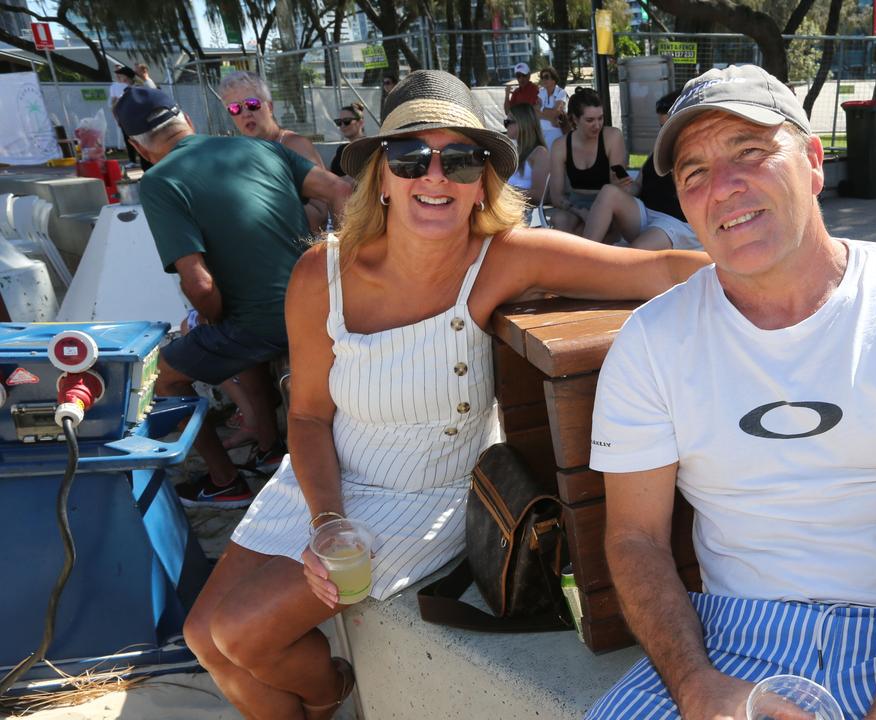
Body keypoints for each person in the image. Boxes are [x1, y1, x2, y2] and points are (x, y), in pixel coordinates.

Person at [179, 69, 708, 720]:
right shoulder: (322, 273)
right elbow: (311, 416)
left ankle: (328, 695)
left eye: (460, 159)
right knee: (203, 636)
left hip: (422, 500)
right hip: (323, 486)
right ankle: (327, 694)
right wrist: (327, 521)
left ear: (483, 178)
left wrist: (791, 265)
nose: (435, 176)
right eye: (410, 157)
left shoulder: (503, 258)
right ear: (381, 173)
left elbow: (657, 269)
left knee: (239, 635)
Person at [587, 64, 876, 720]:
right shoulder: (652, 342)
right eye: (694, 173)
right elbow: (635, 538)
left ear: (815, 162)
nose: (724, 188)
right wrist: (696, 685)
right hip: (730, 639)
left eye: (751, 152)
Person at [112, 87, 352, 511]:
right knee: (241, 349)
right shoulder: (256, 149)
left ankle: (225, 481)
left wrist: (213, 319)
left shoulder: (159, 181)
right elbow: (342, 190)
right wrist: (353, 269)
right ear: (186, 118)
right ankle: (270, 447)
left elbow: (200, 286)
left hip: (260, 324)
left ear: (136, 146)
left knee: (161, 377)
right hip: (319, 306)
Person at [581, 90, 699, 251]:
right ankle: (582, 253)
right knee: (609, 192)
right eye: (661, 126)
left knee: (635, 253)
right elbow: (638, 186)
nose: (663, 132)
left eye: (668, 126)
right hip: (646, 213)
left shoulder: (698, 154)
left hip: (674, 223)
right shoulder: (660, 147)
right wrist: (625, 187)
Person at [219, 71, 329, 231]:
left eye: (252, 104)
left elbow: (320, 216)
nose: (245, 113)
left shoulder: (295, 146)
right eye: (235, 108)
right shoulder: (236, 155)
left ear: (269, 107)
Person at [546, 87, 629, 235]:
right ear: (575, 119)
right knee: (560, 220)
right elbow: (556, 197)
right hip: (575, 203)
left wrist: (622, 181)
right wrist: (580, 212)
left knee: (594, 227)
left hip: (606, 203)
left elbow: (617, 186)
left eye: (600, 118)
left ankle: (585, 256)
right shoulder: (561, 145)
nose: (597, 125)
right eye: (590, 120)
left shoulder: (612, 137)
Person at [504, 103, 549, 209]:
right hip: (510, 209)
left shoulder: (539, 153)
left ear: (522, 123)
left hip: (526, 214)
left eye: (508, 122)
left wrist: (506, 192)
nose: (505, 125)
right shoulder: (516, 151)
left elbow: (540, 195)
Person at [109, 66, 141, 166]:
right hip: (125, 119)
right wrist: (117, 118)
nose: (119, 77)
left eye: (121, 75)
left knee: (139, 141)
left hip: (136, 120)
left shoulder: (136, 88)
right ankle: (133, 161)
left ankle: (146, 162)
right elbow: (114, 103)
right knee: (129, 141)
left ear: (126, 77)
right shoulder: (122, 87)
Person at [329, 102, 366, 178]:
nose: (342, 126)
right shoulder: (342, 150)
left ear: (360, 123)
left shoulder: (370, 147)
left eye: (347, 121)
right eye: (339, 122)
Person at [535, 66, 568, 147]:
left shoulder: (561, 92)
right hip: (541, 132)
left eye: (546, 77)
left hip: (555, 131)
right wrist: (550, 118)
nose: (544, 80)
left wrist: (541, 110)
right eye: (542, 77)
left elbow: (556, 113)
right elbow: (534, 111)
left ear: (554, 79)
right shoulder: (541, 92)